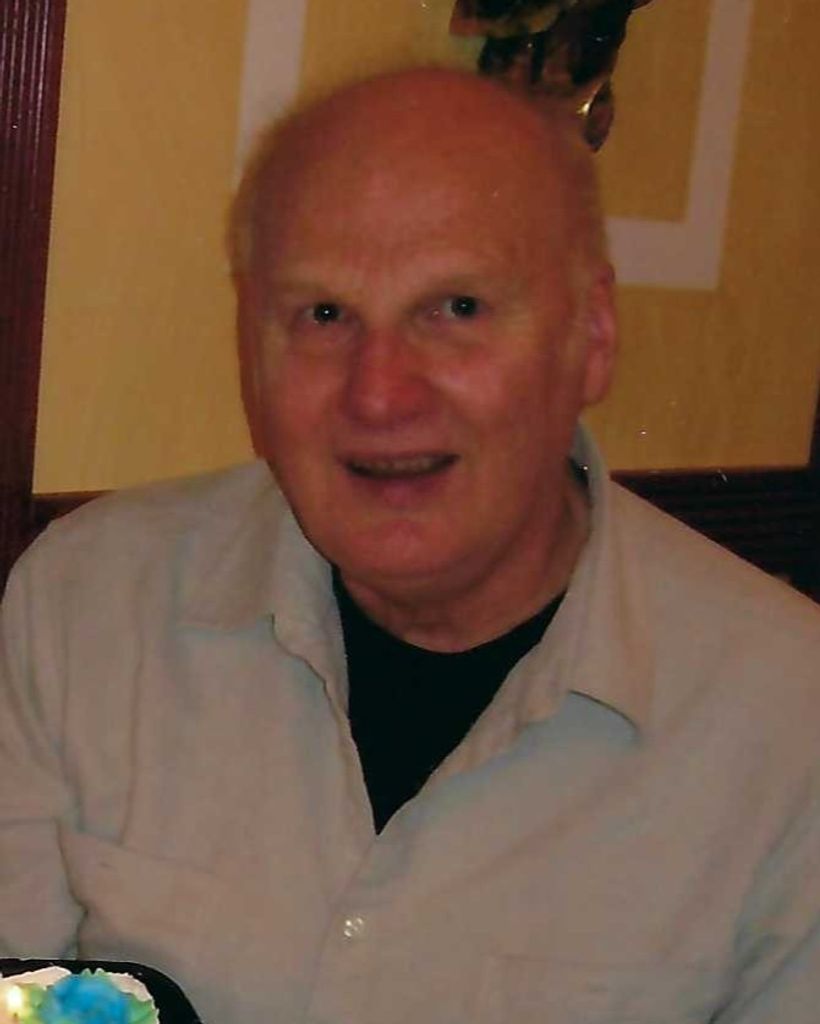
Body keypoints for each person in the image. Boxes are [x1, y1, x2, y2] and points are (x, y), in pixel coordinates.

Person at [1, 68, 819, 1023]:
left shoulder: (788, 725)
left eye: (457, 309)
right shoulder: (83, 606)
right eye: (324, 315)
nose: (380, 393)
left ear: (593, 335)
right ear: (251, 347)